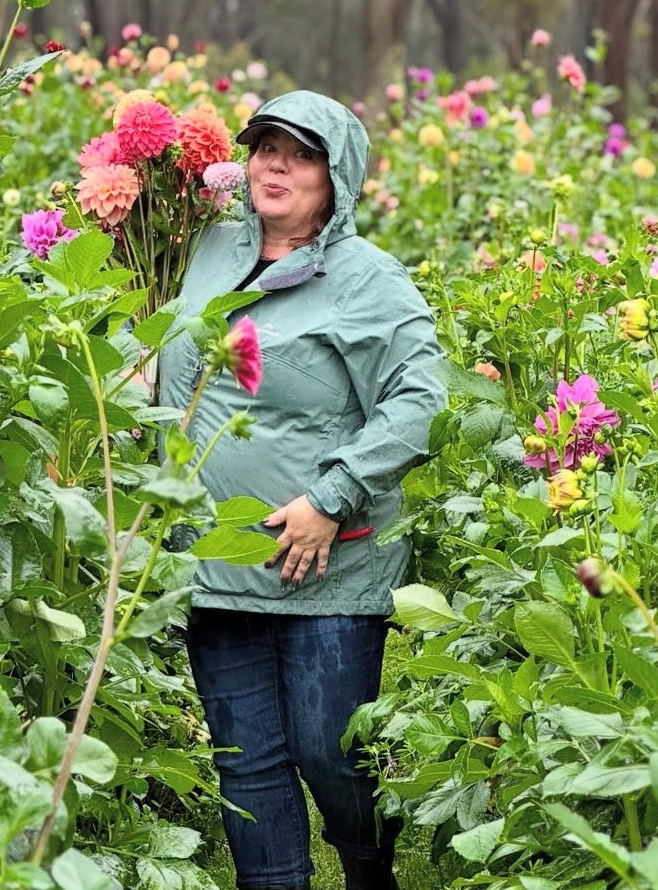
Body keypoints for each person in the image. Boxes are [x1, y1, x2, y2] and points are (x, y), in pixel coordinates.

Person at [159, 90, 446, 890]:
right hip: (213, 552)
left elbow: (420, 400)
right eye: (265, 146)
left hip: (323, 561)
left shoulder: (369, 281)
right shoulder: (207, 249)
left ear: (338, 176)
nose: (276, 162)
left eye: (302, 152)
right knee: (246, 763)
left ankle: (364, 862)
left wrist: (333, 496)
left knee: (331, 752)